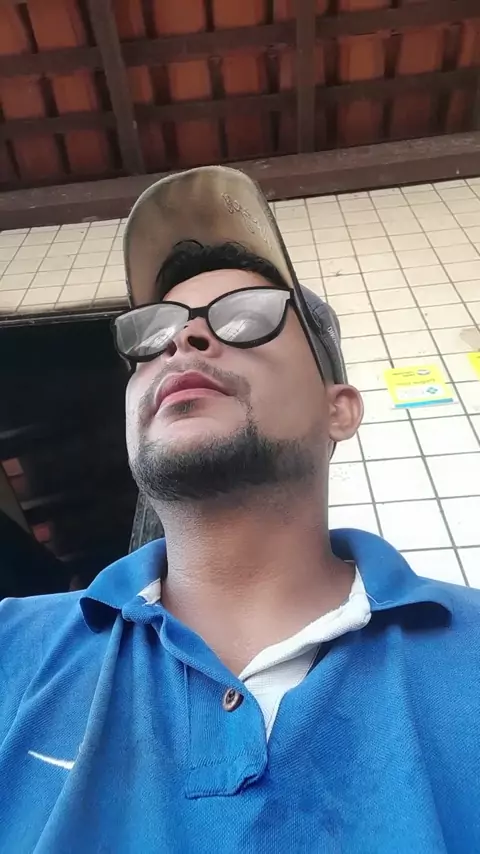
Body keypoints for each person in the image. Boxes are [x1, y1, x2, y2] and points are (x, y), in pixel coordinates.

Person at [1, 166, 479, 854]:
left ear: (339, 409)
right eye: (154, 332)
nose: (181, 342)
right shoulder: (13, 648)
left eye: (247, 316)